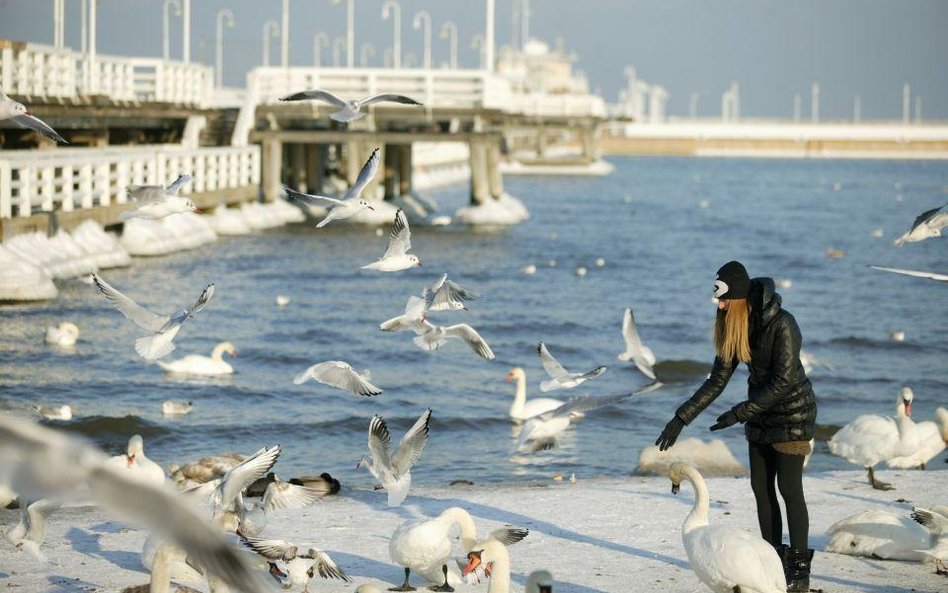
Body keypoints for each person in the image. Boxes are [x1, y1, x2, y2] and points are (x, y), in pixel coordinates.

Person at [655, 260, 817, 592]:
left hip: (793, 415)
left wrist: (740, 412)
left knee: (789, 489)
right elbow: (716, 380)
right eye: (717, 297)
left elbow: (784, 382)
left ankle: (799, 572)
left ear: (740, 297)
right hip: (759, 416)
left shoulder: (783, 324)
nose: (719, 304)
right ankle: (771, 563)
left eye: (723, 298)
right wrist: (680, 418)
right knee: (761, 489)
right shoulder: (733, 326)